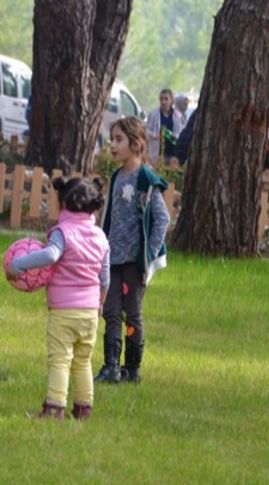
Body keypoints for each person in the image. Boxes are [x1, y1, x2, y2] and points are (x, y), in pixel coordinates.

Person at [5, 177, 110, 420]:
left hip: (64, 311)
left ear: (64, 203)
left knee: (60, 360)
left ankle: (54, 408)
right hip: (90, 312)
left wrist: (17, 265)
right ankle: (84, 409)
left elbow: (51, 255)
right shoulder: (100, 236)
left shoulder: (63, 232)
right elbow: (105, 276)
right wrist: (101, 302)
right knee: (83, 361)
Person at [95, 117, 170, 384]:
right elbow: (110, 217)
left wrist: (148, 256)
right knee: (111, 309)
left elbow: (162, 219)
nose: (112, 145)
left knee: (133, 313)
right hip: (113, 258)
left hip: (135, 262)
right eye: (111, 139)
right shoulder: (116, 177)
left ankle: (131, 369)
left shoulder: (145, 180)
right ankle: (111, 366)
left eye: (119, 140)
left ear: (136, 144)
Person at [146, 88, 180, 164]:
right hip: (157, 152)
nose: (163, 102)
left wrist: (174, 136)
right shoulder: (153, 114)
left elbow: (180, 133)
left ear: (171, 100)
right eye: (161, 99)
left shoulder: (177, 115)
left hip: (172, 152)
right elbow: (146, 131)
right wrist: (153, 135)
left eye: (166, 99)